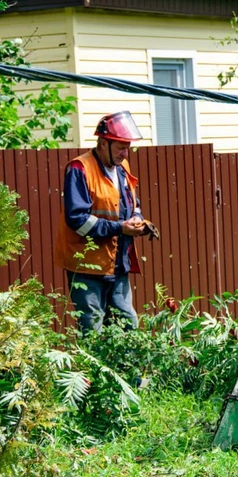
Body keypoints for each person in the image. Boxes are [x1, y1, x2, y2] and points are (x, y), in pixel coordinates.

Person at [55, 111, 156, 333]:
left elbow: (133, 202)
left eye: (127, 146)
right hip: (86, 268)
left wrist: (138, 219)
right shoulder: (79, 169)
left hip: (118, 263)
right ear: (103, 143)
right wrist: (120, 227)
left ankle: (127, 369)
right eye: (120, 147)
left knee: (128, 326)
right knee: (93, 332)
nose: (125, 152)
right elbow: (77, 220)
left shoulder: (122, 167)